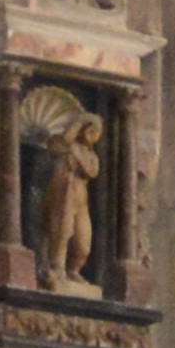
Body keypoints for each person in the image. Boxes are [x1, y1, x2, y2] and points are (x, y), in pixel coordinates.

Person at [40, 113, 102, 290]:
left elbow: (92, 171)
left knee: (83, 244)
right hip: (63, 196)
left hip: (80, 201)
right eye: (90, 130)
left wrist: (78, 157)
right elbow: (61, 143)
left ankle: (73, 269)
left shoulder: (90, 155)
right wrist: (80, 121)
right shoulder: (62, 145)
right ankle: (57, 267)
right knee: (62, 232)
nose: (93, 135)